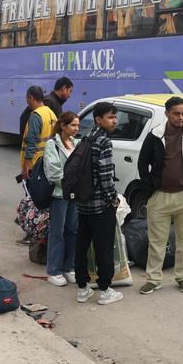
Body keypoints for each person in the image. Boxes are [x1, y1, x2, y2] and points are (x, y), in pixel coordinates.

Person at [136, 96, 183, 295]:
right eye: (176, 114)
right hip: (159, 197)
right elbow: (143, 163)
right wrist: (150, 189)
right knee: (156, 242)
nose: (181, 117)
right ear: (167, 113)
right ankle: (153, 279)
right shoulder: (155, 135)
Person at [75, 101, 122, 306]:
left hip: (83, 202)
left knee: (82, 245)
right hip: (100, 205)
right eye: (111, 117)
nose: (115, 121)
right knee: (104, 247)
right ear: (98, 119)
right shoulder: (103, 142)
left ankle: (82, 289)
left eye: (115, 117)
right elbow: (105, 175)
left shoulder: (86, 138)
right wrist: (113, 198)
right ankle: (104, 290)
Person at [42, 112, 81, 287]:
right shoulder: (52, 145)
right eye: (73, 125)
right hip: (60, 194)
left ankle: (68, 267)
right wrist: (70, 183)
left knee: (72, 231)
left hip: (75, 195)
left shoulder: (77, 143)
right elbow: (53, 171)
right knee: (57, 232)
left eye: (78, 125)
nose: (76, 129)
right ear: (63, 126)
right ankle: (53, 270)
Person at [20, 86, 58, 182]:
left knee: (32, 193)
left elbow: (32, 142)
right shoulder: (51, 113)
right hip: (48, 161)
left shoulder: (36, 115)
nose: (27, 101)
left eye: (27, 98)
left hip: (35, 163)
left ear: (31, 97)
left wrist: (26, 166)